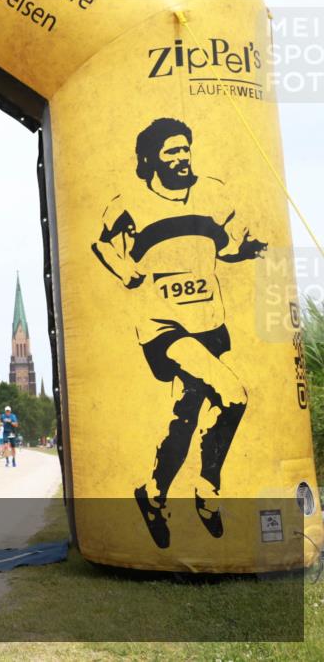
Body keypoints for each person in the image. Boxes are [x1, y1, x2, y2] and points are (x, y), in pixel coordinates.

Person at [92, 117, 263, 549]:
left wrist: (247, 250)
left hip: (210, 322)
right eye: (171, 151)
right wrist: (124, 268)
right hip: (163, 326)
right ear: (150, 158)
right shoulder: (129, 201)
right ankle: (208, 490)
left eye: (185, 148)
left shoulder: (213, 194)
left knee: (184, 419)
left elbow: (224, 247)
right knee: (234, 393)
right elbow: (103, 243)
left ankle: (151, 494)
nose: (182, 157)